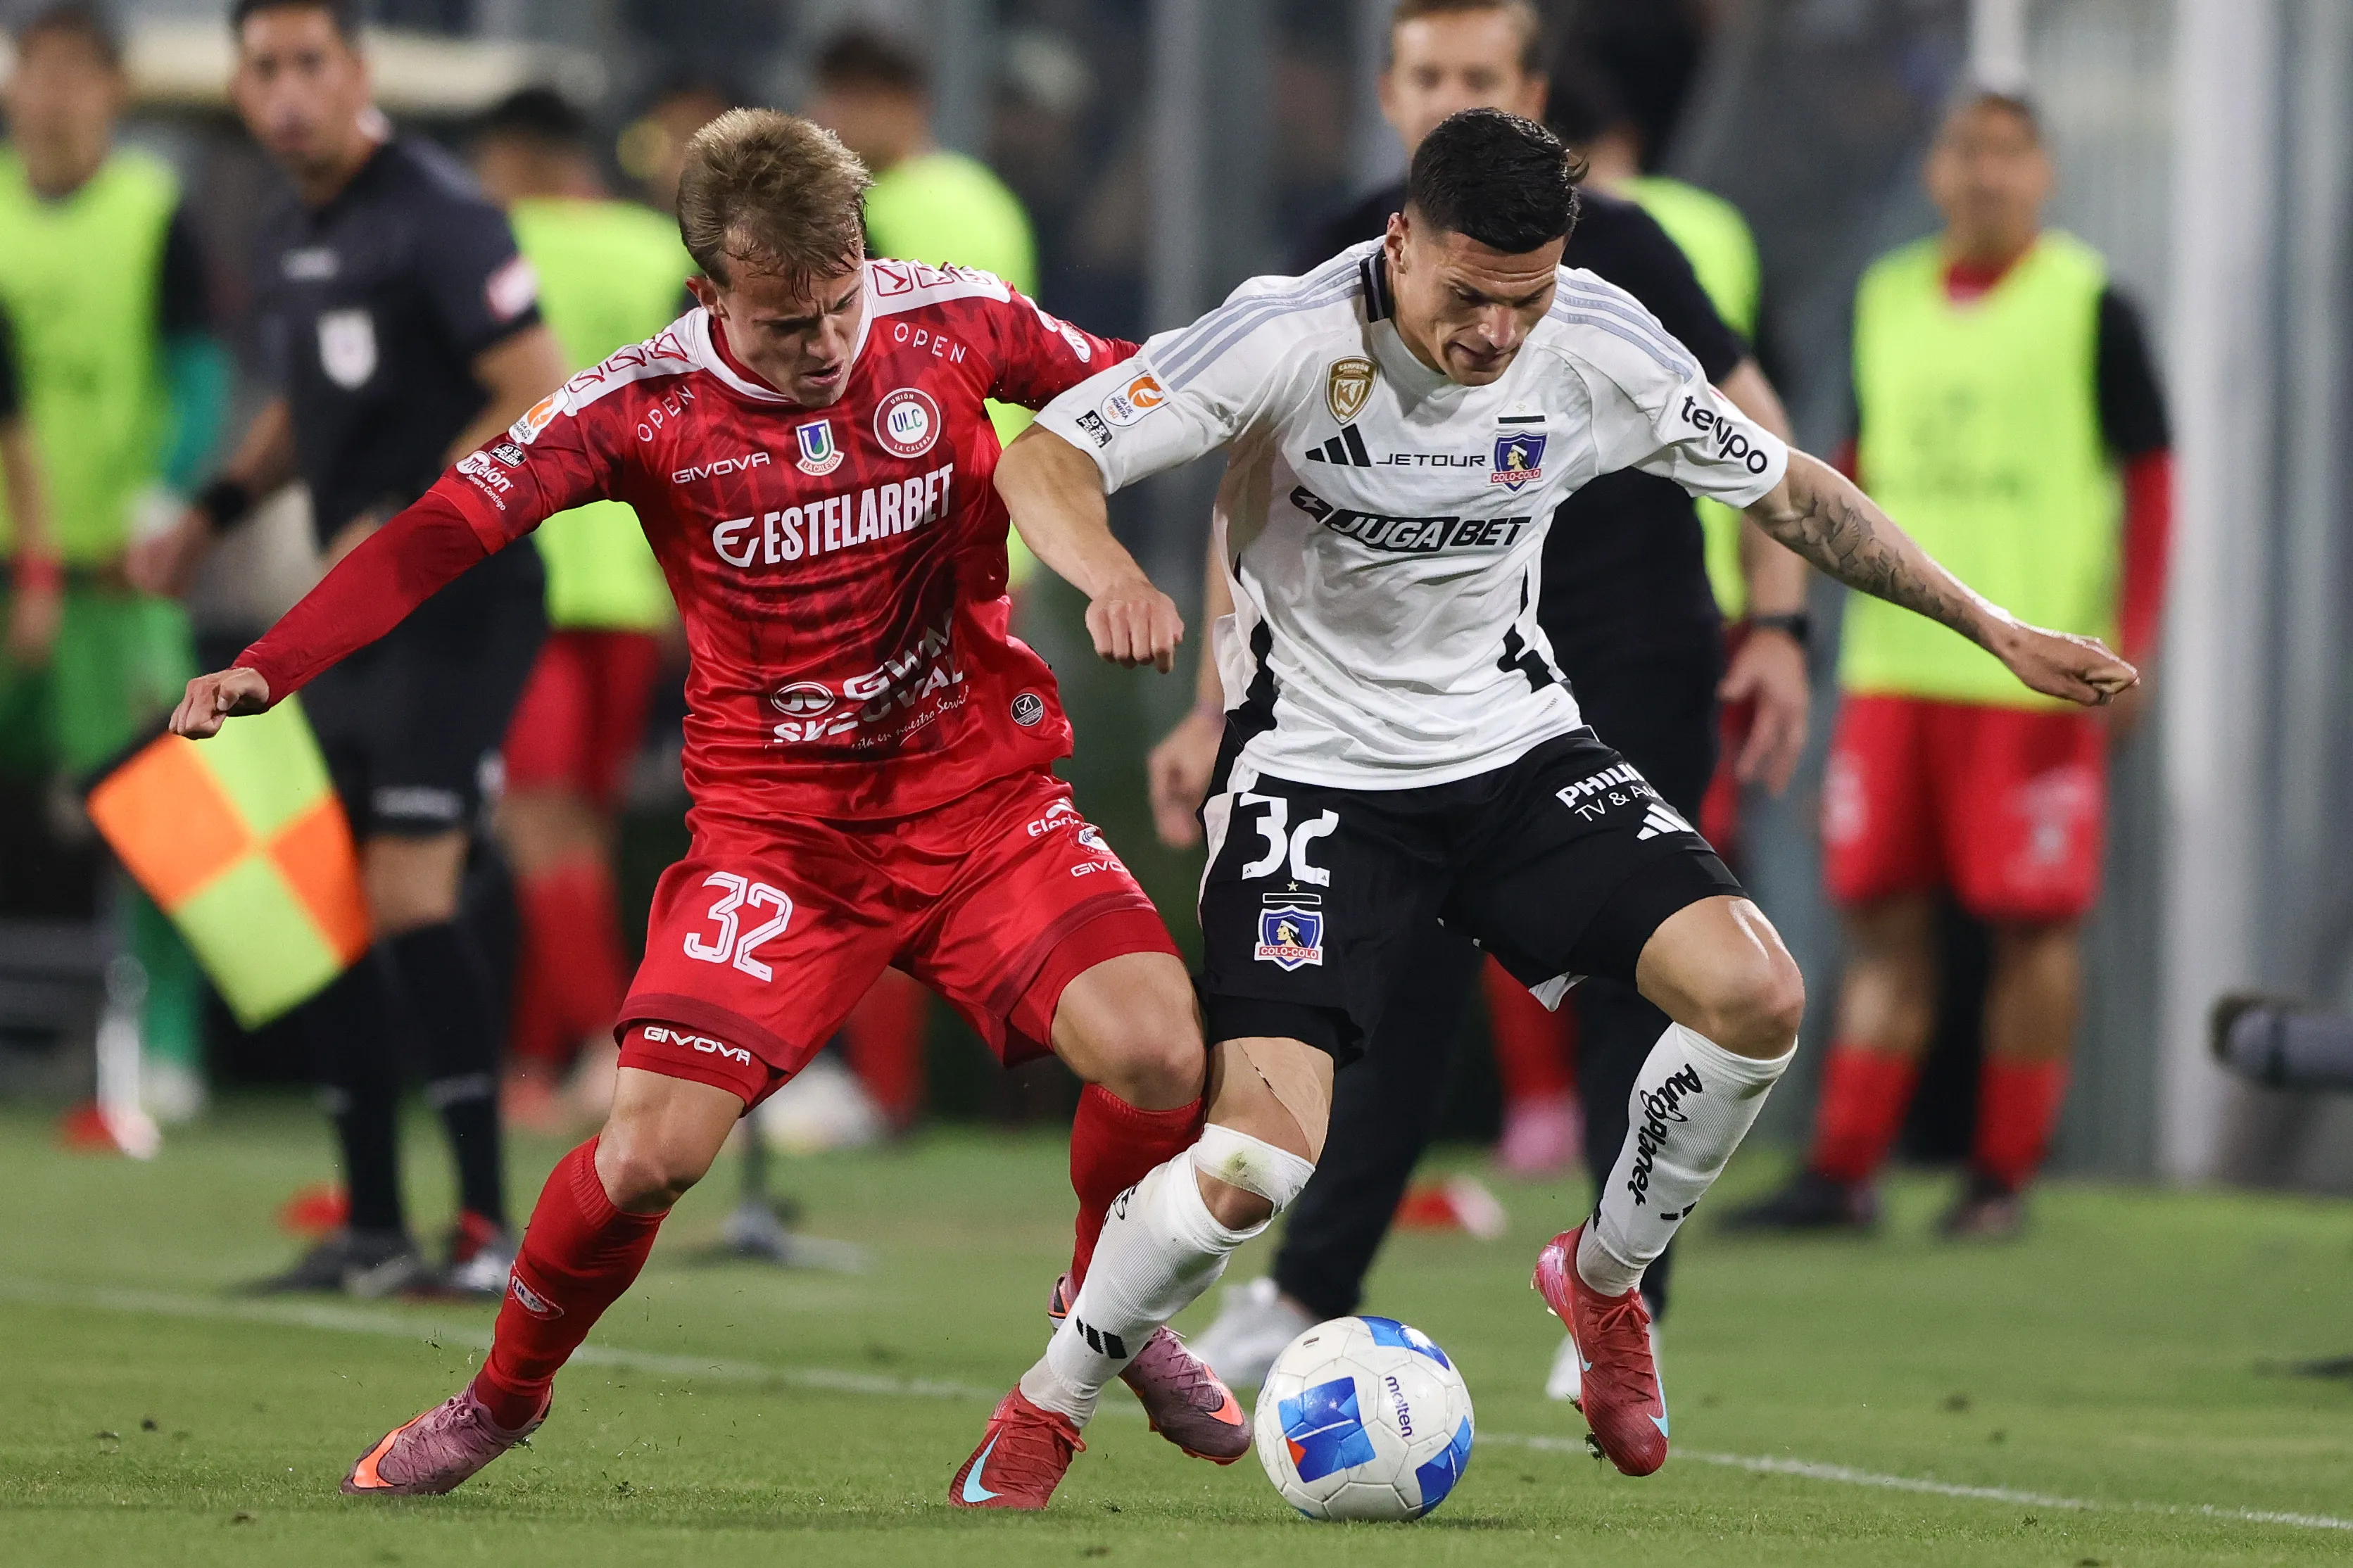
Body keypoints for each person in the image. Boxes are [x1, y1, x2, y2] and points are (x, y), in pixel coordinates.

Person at [997, 107, 2132, 1487]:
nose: (1493, 333)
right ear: (1399, 242)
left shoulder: (1596, 334)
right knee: (1250, 1167)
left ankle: (1604, 1279)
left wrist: (1995, 627)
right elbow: (1045, 457)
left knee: (1760, 995)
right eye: (1467, 297)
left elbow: (1794, 493)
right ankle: (1055, 1392)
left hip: (1514, 748)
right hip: (1314, 771)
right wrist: (1112, 573)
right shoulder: (1287, 332)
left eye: (1522, 300)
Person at [169, 108, 1274, 1503]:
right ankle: (502, 1398)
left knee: (1167, 1057)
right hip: (781, 841)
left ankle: (1103, 1302)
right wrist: (274, 661)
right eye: (784, 323)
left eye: (840, 304)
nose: (825, 345)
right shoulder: (634, 407)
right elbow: (445, 529)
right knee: (647, 1156)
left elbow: (1169, 394)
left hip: (983, 800)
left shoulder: (961, 322)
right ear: (710, 297)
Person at [1167, 0, 1810, 1401]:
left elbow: (1757, 421)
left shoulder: (1620, 249)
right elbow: (1255, 476)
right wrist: (1216, 698)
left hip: (1624, 651)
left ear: (1529, 92)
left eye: (1479, 75)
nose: (1448, 93)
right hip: (1396, 681)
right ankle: (1305, 1288)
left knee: (1662, 987)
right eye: (1426, 74)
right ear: (1390, 93)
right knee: (1378, 986)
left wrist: (1781, 622)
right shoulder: (1337, 258)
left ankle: (1623, 1302)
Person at [130, 0, 571, 1297]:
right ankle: (374, 1226)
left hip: (460, 609)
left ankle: (488, 1232)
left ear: (357, 73)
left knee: (408, 895)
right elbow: (301, 420)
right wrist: (213, 512)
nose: (286, 93)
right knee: (320, 906)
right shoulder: (284, 227)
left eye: (309, 63)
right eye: (263, 67)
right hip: (353, 621)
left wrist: (424, 516)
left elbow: (533, 380)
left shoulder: (436, 210)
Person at [1724, 90, 2171, 1240]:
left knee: (2032, 924)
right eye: (1964, 153)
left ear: (2045, 172)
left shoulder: (2090, 306)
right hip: (1892, 668)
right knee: (1879, 915)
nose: (1984, 176)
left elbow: (2151, 480)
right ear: (1934, 173)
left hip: (2029, 681)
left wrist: (2136, 636)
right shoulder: (1885, 300)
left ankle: (1999, 1179)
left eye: (2007, 154)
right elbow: (1855, 474)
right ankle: (1843, 1169)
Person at [805, 25, 1049, 1132]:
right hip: (999, 534)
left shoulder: (905, 216)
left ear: (887, 100)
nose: (833, 129)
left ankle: (884, 1085)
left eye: (843, 103)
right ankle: (973, 1073)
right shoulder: (987, 200)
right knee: (956, 813)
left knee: (871, 821)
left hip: (924, 544)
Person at [0, 2, 230, 1116]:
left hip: (112, 578)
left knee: (159, 817)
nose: (50, 93)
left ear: (112, 91)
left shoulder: (153, 212)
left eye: (73, 74)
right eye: (34, 70)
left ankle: (164, 1047)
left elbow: (198, 373)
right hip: (9, 571)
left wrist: (163, 494)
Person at [468, 87, 688, 1134]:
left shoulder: (492, 242)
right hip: (633, 582)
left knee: (538, 829)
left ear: (511, 155)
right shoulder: (653, 247)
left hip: (536, 577)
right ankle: (534, 1063)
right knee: (580, 837)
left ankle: (614, 1066)